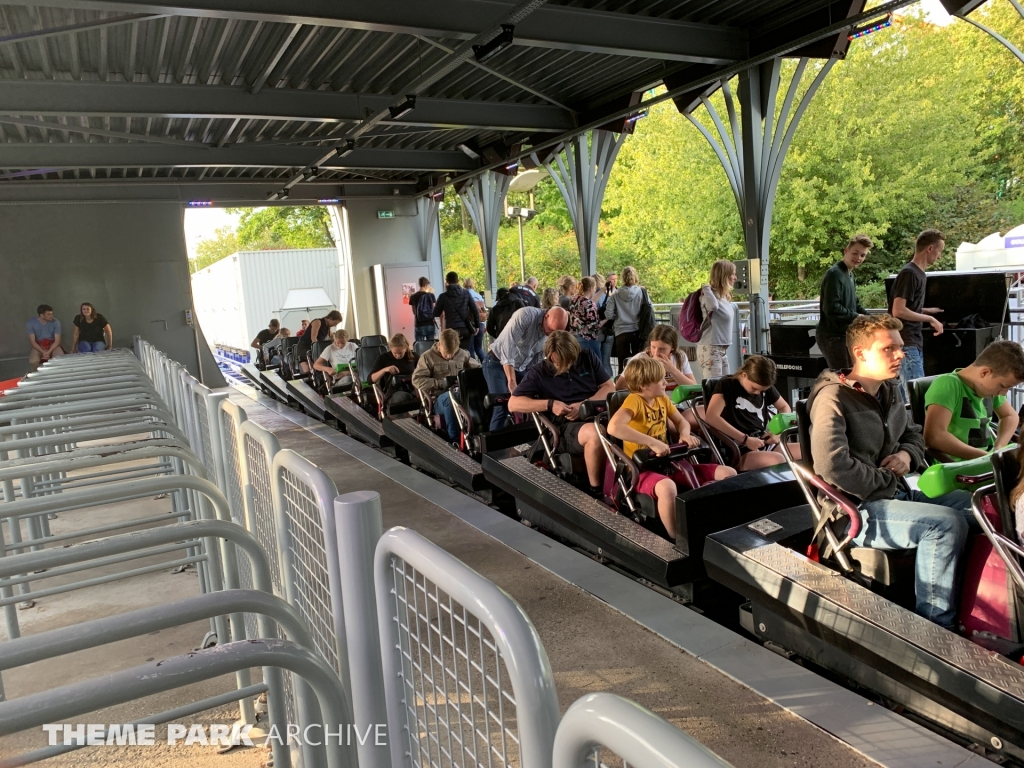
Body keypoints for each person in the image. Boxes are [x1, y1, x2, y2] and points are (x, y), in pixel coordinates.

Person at [807, 313, 974, 631]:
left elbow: (914, 435)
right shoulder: (832, 398)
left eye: (900, 347)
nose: (901, 355)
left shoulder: (889, 390)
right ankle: (934, 628)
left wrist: (906, 456)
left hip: (898, 493)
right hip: (854, 510)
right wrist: (888, 479)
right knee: (944, 524)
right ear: (860, 353)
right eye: (889, 348)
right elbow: (832, 466)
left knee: (981, 506)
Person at [608, 356, 736, 539]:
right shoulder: (634, 400)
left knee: (728, 473)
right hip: (642, 471)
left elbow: (682, 422)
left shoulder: (662, 399)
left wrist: (685, 435)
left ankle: (721, 524)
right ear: (643, 385)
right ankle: (676, 538)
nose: (665, 382)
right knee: (667, 487)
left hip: (669, 463)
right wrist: (652, 442)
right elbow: (614, 427)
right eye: (660, 380)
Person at [509, 331, 616, 497]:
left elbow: (609, 387)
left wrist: (585, 404)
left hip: (597, 414)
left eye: (570, 360)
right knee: (595, 433)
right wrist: (550, 404)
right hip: (565, 428)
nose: (567, 365)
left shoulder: (587, 357)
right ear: (551, 356)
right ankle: (596, 491)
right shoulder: (539, 372)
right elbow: (513, 404)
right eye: (561, 361)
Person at [923, 340, 1024, 460]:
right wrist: (986, 458)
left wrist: (999, 447)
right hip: (955, 465)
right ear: (985, 372)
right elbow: (934, 436)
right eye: (1003, 386)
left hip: (984, 459)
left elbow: (1010, 416)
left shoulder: (989, 389)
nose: (1003, 393)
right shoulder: (948, 385)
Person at [483, 306, 569, 431]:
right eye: (550, 330)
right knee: (501, 406)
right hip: (496, 361)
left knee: (530, 403)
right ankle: (494, 442)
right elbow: (508, 348)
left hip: (520, 367)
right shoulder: (525, 315)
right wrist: (511, 382)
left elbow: (538, 358)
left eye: (555, 332)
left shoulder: (552, 332)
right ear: (546, 316)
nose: (550, 334)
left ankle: (526, 438)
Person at [704, 355, 797, 470]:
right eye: (754, 388)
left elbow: (784, 407)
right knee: (778, 460)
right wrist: (745, 440)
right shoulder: (727, 385)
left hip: (763, 442)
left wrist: (777, 432)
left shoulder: (763, 386)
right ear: (744, 375)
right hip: (739, 448)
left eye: (762, 390)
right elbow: (711, 417)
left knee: (809, 450)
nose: (758, 393)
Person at [889, 229, 946, 399]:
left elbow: (908, 307)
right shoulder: (910, 273)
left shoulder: (918, 273)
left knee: (907, 397)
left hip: (912, 341)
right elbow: (898, 310)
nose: (939, 257)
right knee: (916, 396)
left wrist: (926, 310)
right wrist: (930, 318)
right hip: (906, 342)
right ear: (930, 248)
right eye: (939, 251)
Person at [412, 329, 481, 442]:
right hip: (439, 399)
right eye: (446, 353)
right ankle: (454, 440)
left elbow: (478, 370)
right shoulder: (427, 357)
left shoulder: (463, 354)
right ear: (439, 344)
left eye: (452, 353)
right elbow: (417, 380)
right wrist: (440, 383)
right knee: (450, 398)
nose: (449, 356)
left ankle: (480, 433)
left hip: (461, 394)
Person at [816, 235, 872, 369]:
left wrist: (872, 318)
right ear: (846, 250)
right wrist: (857, 317)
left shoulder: (850, 275)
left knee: (850, 374)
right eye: (855, 253)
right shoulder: (834, 273)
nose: (858, 258)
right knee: (843, 376)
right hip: (832, 337)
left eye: (862, 255)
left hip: (844, 336)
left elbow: (855, 304)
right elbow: (831, 308)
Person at [604, 266, 652, 373]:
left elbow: (608, 314)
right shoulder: (641, 292)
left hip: (621, 332)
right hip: (637, 332)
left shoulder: (615, 294)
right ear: (635, 277)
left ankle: (622, 382)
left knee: (622, 363)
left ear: (623, 278)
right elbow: (649, 308)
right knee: (638, 363)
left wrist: (618, 315)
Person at [697, 260, 738, 378]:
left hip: (721, 349)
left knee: (725, 384)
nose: (735, 278)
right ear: (724, 276)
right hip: (710, 348)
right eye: (733, 274)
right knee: (714, 385)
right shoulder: (708, 295)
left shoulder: (723, 296)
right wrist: (706, 288)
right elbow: (713, 307)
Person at [433, 271, 480, 351]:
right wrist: (477, 326)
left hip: (451, 330)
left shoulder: (443, 296)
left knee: (453, 353)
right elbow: (475, 310)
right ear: (458, 281)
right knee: (465, 353)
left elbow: (436, 313)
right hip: (465, 328)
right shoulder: (466, 293)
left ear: (446, 281)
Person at [569, 277, 601, 363]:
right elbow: (594, 326)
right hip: (588, 340)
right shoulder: (590, 303)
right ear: (591, 288)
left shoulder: (573, 300)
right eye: (595, 288)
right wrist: (607, 319)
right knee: (595, 365)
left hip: (574, 339)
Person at [27, 304, 64, 371]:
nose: (51, 316)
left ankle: (57, 374)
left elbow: (57, 340)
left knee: (61, 358)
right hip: (39, 345)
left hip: (52, 345)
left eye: (52, 314)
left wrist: (48, 352)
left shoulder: (56, 322)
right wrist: (43, 352)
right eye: (48, 314)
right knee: (33, 361)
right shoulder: (31, 323)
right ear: (41, 315)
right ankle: (39, 375)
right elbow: (32, 341)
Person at [597, 273, 616, 378]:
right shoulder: (611, 295)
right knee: (606, 361)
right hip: (609, 331)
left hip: (599, 331)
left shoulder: (596, 297)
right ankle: (610, 382)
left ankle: (601, 383)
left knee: (598, 361)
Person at [464, 277, 487, 361]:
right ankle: (485, 365)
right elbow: (483, 311)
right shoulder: (479, 296)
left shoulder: (464, 296)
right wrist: (484, 325)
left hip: (469, 325)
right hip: (480, 323)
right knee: (479, 348)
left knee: (471, 349)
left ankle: (474, 366)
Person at [409, 277, 437, 343]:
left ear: (419, 284)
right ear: (426, 285)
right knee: (431, 345)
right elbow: (434, 310)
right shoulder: (431, 295)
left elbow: (414, 312)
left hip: (419, 324)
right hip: (430, 323)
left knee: (419, 345)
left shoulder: (413, 296)